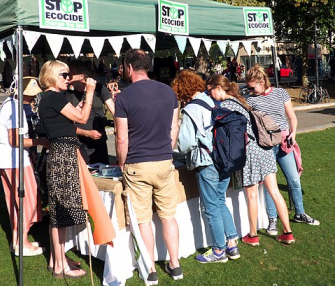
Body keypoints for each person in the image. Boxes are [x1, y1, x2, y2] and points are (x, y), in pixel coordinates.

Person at [115, 49, 182, 284]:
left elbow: (121, 138)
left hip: (137, 163)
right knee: (168, 216)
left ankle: (150, 268)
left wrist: (121, 162)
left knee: (143, 219)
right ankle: (175, 264)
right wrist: (167, 150)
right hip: (164, 161)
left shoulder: (123, 98)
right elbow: (174, 128)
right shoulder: (168, 92)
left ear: (130, 68)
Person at [207, 74, 295, 246]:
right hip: (265, 149)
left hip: (248, 152)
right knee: (275, 192)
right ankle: (287, 232)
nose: (209, 95)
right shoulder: (242, 101)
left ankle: (253, 235)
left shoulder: (225, 107)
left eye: (210, 90)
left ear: (218, 88)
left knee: (252, 195)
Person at [172, 70, 240, 263]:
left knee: (210, 207)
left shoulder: (192, 109)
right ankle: (232, 244)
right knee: (220, 201)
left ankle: (219, 250)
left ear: (182, 92)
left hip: (206, 162)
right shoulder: (213, 101)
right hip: (223, 158)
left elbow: (185, 143)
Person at [38, 60, 96, 279]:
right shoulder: (52, 97)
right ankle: (60, 265)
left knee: (59, 211)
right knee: (60, 212)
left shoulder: (51, 98)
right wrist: (90, 92)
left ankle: (56, 259)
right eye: (63, 75)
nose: (67, 78)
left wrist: (83, 98)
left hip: (63, 152)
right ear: (52, 76)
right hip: (63, 155)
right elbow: (81, 118)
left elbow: (73, 116)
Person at [245, 64, 319, 235]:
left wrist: (294, 133)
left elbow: (292, 117)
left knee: (293, 179)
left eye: (252, 87)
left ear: (262, 82)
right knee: (270, 186)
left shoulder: (280, 93)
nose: (250, 90)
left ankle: (300, 213)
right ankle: (273, 220)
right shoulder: (250, 100)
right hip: (264, 146)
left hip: (284, 142)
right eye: (248, 87)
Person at [0, 77, 50, 256]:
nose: (33, 99)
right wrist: (39, 141)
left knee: (16, 202)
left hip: (10, 160)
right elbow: (14, 140)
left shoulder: (11, 104)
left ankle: (19, 240)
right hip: (14, 161)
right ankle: (22, 243)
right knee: (28, 200)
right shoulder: (15, 109)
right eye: (30, 96)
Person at [66, 60, 115, 164]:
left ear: (81, 76)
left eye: (70, 74)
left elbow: (114, 111)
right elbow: (65, 125)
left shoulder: (99, 88)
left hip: (99, 143)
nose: (67, 77)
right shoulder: (67, 93)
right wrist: (87, 133)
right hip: (78, 143)